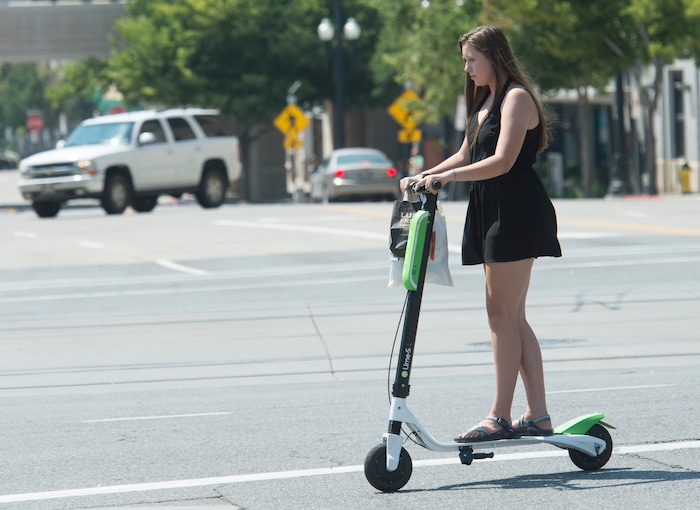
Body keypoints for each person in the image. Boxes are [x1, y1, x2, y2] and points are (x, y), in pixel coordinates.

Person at [400, 25, 562, 443]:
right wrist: (426, 174)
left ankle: (500, 415)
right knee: (511, 316)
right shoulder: (487, 101)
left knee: (499, 315)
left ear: (495, 56)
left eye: (472, 59)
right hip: (492, 209)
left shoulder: (516, 98)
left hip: (515, 211)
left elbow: (504, 160)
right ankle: (538, 415)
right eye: (465, 61)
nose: (467, 68)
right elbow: (468, 153)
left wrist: (449, 177)